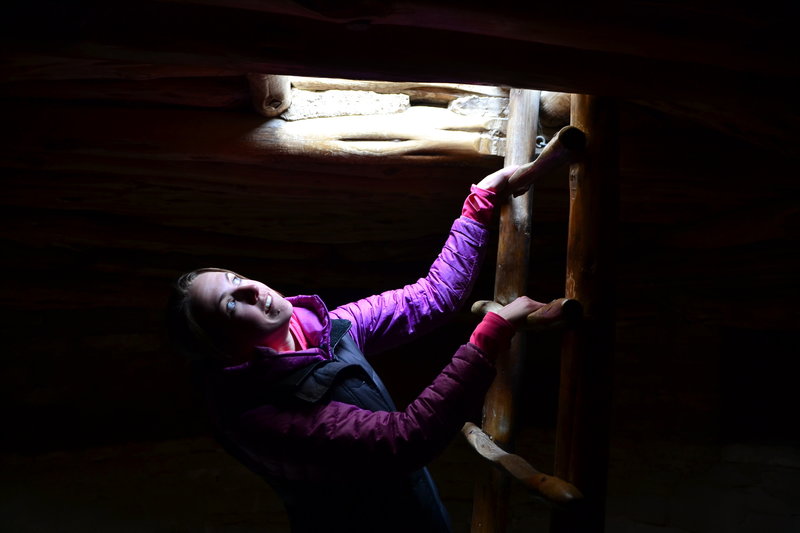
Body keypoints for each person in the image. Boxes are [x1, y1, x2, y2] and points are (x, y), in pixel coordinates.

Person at [167, 165, 544, 533]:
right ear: (224, 349)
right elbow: (405, 439)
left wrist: (479, 203)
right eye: (230, 305)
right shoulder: (261, 416)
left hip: (415, 510)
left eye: (236, 279)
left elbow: (432, 297)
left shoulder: (328, 328)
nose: (251, 290)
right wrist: (488, 336)